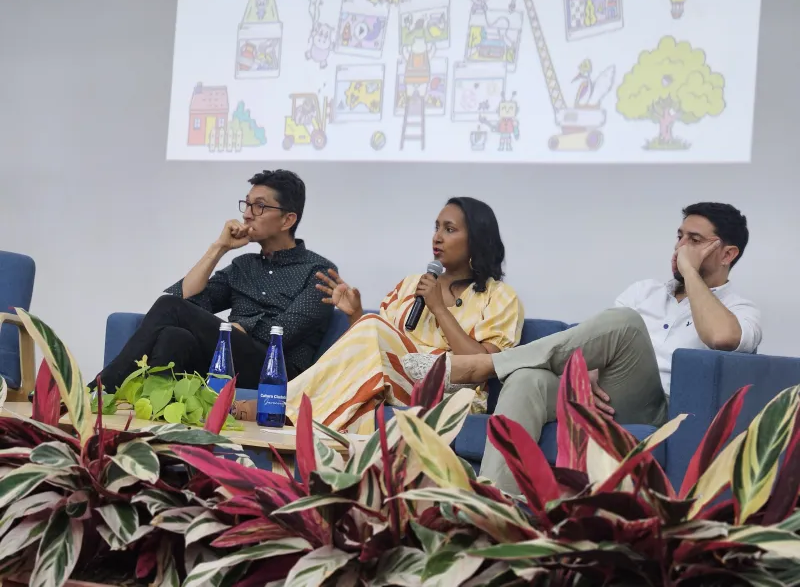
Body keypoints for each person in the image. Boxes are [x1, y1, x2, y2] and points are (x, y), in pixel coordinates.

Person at [445, 202, 762, 493]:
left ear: (727, 254)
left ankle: (486, 365)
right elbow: (601, 342)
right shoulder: (643, 292)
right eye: (680, 237)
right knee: (527, 380)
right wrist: (588, 372)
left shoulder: (740, 310)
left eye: (694, 241)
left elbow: (722, 338)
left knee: (626, 323)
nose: (680, 248)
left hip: (661, 411)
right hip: (605, 395)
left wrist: (690, 271)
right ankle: (497, 506)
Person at [232, 197, 524, 433]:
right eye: (436, 228)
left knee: (371, 330)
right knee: (369, 337)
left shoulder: (499, 296)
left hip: (448, 393)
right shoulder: (410, 285)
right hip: (390, 380)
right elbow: (374, 348)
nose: (437, 237)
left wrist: (438, 308)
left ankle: (275, 404)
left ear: (476, 239)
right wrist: (355, 315)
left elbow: (485, 365)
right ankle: (298, 429)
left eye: (449, 229)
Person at [90, 169, 336, 391]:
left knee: (170, 308)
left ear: (287, 220)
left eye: (259, 206)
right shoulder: (243, 266)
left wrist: (240, 328)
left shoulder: (319, 271)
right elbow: (187, 300)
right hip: (228, 360)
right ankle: (157, 417)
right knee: (174, 336)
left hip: (276, 370)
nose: (247, 215)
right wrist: (219, 248)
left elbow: (281, 333)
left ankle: (100, 389)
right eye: (247, 205)